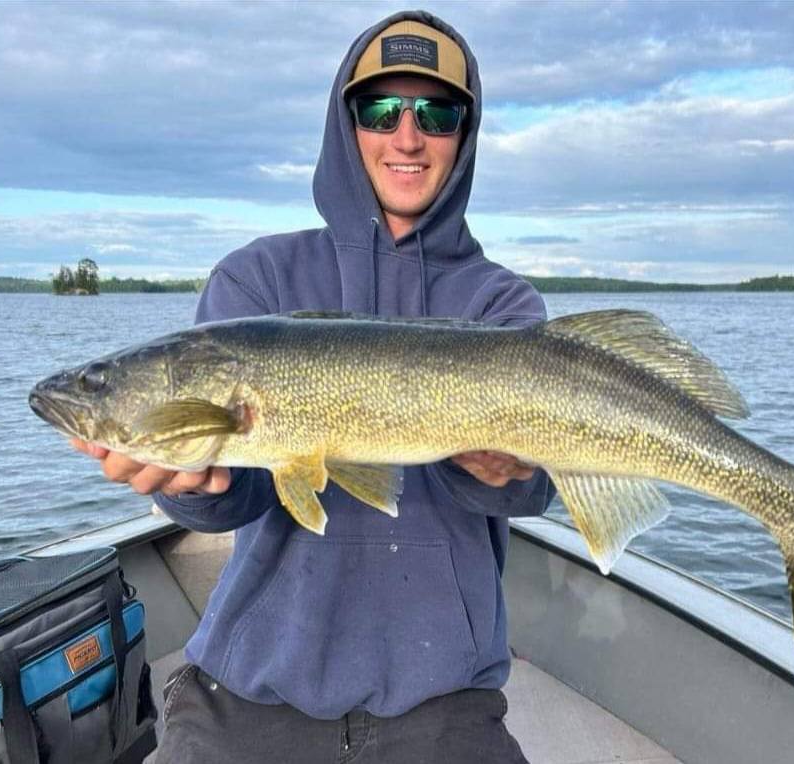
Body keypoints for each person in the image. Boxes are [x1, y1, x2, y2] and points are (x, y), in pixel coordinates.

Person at [71, 11, 553, 763]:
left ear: (465, 136)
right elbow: (236, 496)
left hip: (442, 693)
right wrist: (192, 484)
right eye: (380, 109)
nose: (407, 135)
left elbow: (532, 490)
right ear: (346, 122)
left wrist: (512, 471)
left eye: (436, 113)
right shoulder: (256, 281)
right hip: (252, 682)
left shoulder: (502, 307)